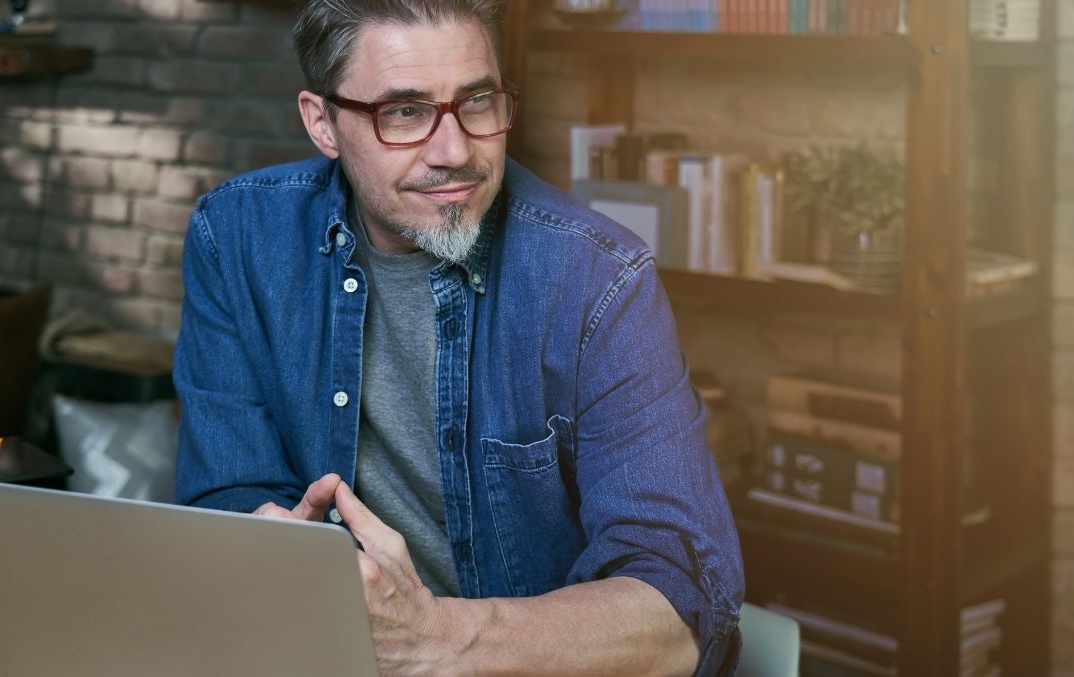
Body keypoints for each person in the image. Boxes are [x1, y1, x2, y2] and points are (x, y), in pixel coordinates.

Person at [174, 1, 745, 674]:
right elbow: (227, 498)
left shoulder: (601, 281)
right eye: (405, 112)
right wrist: (268, 547)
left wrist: (439, 638)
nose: (455, 152)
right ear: (322, 122)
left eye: (477, 102)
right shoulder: (236, 238)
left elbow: (680, 615)